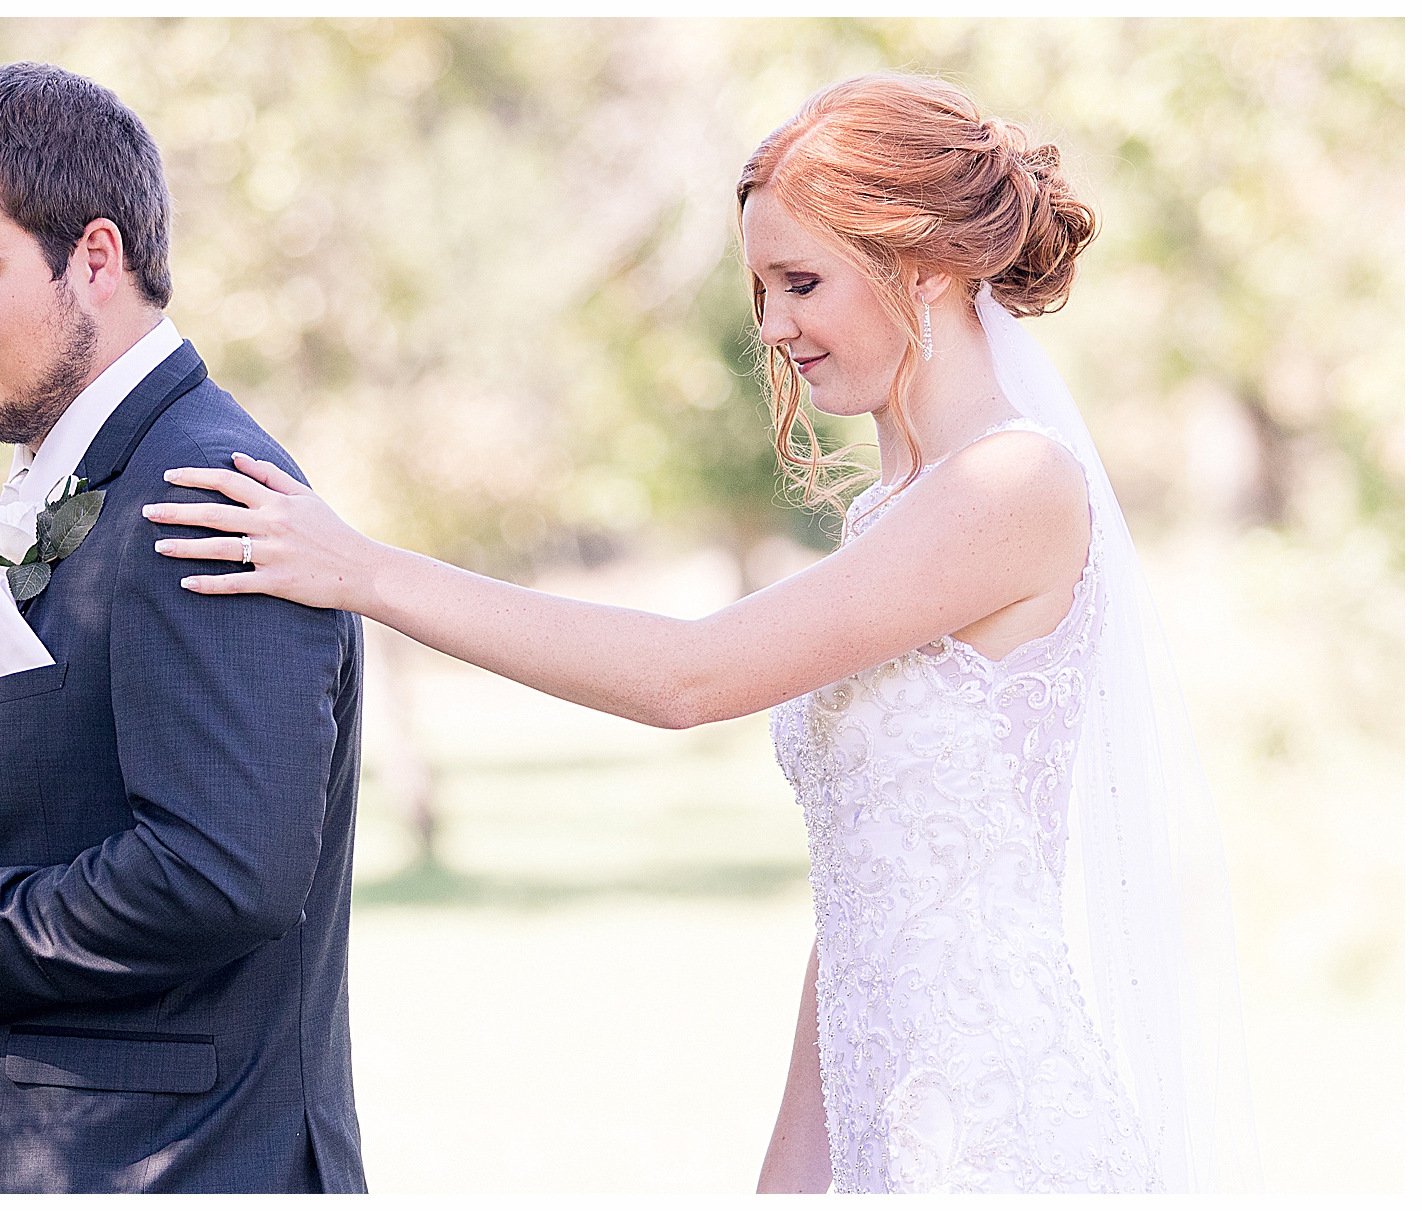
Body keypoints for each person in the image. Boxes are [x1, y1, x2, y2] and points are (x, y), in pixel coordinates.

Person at [146, 73, 1257, 1193]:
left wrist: (367, 569)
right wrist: (785, 1178)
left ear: (926, 264)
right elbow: (866, 911)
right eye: (762, 289)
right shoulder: (898, 513)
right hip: (886, 1131)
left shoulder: (1015, 484)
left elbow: (691, 675)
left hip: (994, 1134)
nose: (772, 327)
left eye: (801, 281)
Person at [0, 62, 367, 1194]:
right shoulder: (101, 475)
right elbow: (108, 799)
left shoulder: (205, 492)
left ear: (98, 256)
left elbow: (224, 868)